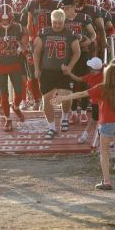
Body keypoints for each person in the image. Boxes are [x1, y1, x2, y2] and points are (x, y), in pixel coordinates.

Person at [53, 64, 115, 191]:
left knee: (104, 153)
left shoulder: (101, 88)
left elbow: (81, 94)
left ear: (106, 75)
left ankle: (107, 182)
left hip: (106, 124)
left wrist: (63, 98)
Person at [33, 9, 80, 139]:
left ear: (64, 21)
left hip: (63, 71)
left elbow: (77, 52)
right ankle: (51, 128)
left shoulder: (70, 34)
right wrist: (37, 69)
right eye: (55, 23)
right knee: (47, 100)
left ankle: (65, 117)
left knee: (66, 96)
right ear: (51, 21)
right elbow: (36, 52)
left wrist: (70, 67)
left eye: (60, 23)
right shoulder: (44, 33)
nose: (57, 25)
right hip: (48, 71)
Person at [0, 4, 28, 131]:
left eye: (7, 19)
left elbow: (26, 34)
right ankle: (8, 119)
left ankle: (15, 106)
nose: (4, 21)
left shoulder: (18, 27)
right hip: (0, 66)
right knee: (4, 94)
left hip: (15, 64)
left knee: (20, 91)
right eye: (2, 19)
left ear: (11, 18)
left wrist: (22, 47)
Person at [59, 0, 97, 126]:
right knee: (71, 84)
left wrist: (90, 40)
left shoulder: (84, 18)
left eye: (67, 8)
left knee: (84, 82)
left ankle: (84, 112)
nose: (64, 10)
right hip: (69, 55)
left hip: (84, 53)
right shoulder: (61, 20)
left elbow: (93, 34)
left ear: (74, 7)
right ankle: (73, 112)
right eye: (63, 8)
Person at [26, 0, 59, 110]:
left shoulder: (56, 5)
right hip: (36, 41)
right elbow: (29, 24)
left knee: (50, 70)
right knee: (35, 71)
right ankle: (37, 99)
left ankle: (49, 98)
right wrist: (30, 39)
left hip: (50, 41)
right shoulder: (32, 4)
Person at [66, 57, 104, 145]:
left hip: (96, 103)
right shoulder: (104, 75)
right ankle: (109, 141)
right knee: (102, 121)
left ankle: (84, 137)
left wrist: (69, 73)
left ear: (92, 69)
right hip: (103, 103)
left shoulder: (90, 76)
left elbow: (78, 79)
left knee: (95, 120)